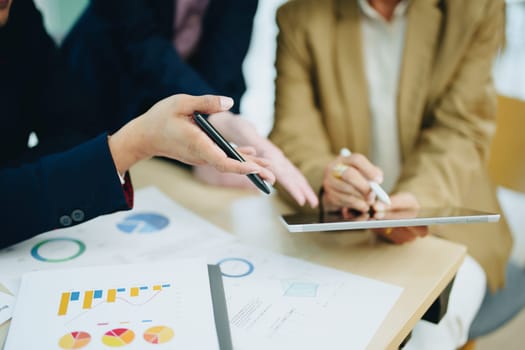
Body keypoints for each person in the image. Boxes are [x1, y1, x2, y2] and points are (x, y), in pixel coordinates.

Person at [269, 0, 513, 348]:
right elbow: (292, 136)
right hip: (346, 226)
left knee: (423, 334)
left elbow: (461, 128)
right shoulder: (301, 16)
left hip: (446, 218)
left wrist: (417, 201)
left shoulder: (475, 8)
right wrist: (328, 178)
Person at [0, 0, 275, 248]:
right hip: (106, 93)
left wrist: (216, 128)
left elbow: (70, 134)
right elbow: (139, 42)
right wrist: (131, 145)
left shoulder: (19, 13)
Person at [61, 0, 318, 208]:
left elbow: (226, 60)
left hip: (181, 105)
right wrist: (219, 121)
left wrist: (221, 134)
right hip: (102, 96)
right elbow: (141, 46)